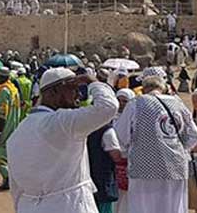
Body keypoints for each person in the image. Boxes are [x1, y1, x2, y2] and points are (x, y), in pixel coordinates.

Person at [7, 68, 118, 213]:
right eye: (73, 88)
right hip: (70, 206)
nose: (78, 95)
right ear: (53, 92)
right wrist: (93, 82)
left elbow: (16, 189)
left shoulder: (18, 132)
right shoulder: (61, 122)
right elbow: (108, 107)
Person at [115, 75, 197, 213]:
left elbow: (120, 135)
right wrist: (178, 149)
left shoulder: (136, 103)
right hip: (176, 167)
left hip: (144, 167)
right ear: (162, 88)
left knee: (144, 207)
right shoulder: (177, 103)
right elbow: (194, 136)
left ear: (143, 88)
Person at [114, 89, 135, 213]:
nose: (121, 103)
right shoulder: (109, 117)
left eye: (125, 101)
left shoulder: (135, 118)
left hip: (129, 162)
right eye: (119, 100)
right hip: (112, 162)